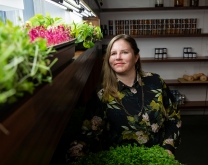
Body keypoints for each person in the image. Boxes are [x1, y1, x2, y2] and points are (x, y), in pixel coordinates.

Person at [66, 34, 181, 163]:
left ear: (136, 57)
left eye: (124, 52)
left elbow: (174, 118)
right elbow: (88, 134)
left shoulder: (155, 82)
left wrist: (168, 148)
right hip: (121, 160)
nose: (118, 57)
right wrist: (75, 153)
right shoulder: (101, 95)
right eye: (113, 53)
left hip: (156, 158)